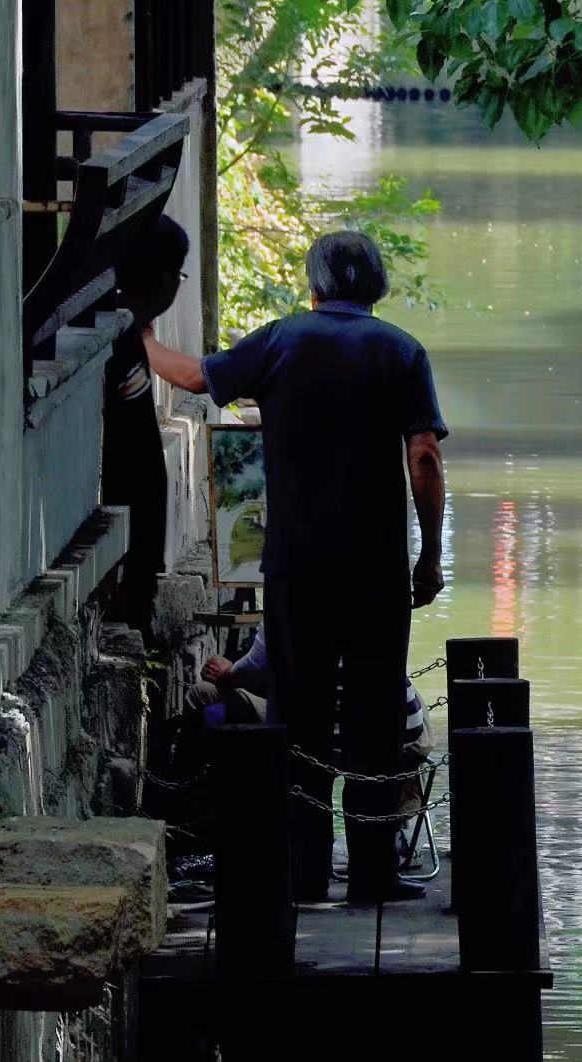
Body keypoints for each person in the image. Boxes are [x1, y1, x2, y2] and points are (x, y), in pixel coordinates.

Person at [142, 231, 448, 905]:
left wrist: (140, 338)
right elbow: (422, 457)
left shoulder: (281, 341)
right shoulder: (403, 352)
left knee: (298, 715)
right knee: (371, 719)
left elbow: (195, 376)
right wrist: (428, 553)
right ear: (376, 287)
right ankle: (371, 874)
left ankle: (304, 872)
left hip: (294, 571)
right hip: (375, 575)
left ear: (312, 286)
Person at [102, 215, 191, 638]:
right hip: (124, 552)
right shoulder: (120, 341)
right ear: (164, 279)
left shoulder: (123, 333)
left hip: (127, 547)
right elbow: (135, 453)